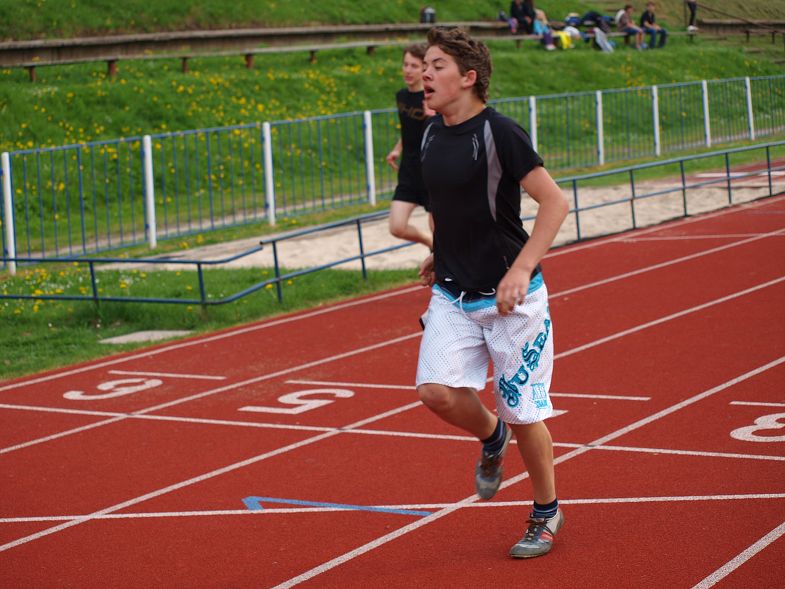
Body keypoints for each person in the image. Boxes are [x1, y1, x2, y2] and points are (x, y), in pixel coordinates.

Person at [416, 26, 569, 558]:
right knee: (435, 392)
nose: (425, 74)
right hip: (453, 292)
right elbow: (446, 207)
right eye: (425, 65)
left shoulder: (500, 132)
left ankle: (546, 511)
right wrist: (440, 250)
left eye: (436, 66)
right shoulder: (430, 135)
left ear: (468, 77)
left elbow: (555, 203)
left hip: (512, 300)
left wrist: (522, 270)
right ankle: (491, 436)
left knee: (523, 412)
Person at [386, 43, 434, 250]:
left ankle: (440, 258)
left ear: (425, 68)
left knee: (440, 229)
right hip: (408, 170)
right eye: (405, 64)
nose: (408, 70)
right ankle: (429, 242)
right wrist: (397, 149)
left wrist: (434, 116)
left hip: (431, 170)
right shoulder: (401, 96)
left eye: (414, 66)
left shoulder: (433, 97)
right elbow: (409, 130)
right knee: (397, 227)